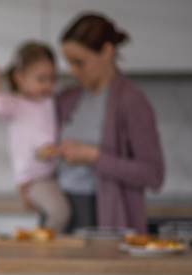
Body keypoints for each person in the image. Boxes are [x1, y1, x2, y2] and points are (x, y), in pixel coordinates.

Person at [43, 14, 164, 233]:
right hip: (60, 210)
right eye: (69, 62)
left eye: (79, 62)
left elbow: (153, 174)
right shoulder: (67, 98)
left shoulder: (132, 102)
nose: (72, 70)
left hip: (103, 215)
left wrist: (94, 157)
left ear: (107, 52)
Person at [0, 43, 71, 233]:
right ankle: (44, 251)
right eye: (41, 79)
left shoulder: (48, 101)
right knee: (60, 213)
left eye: (52, 78)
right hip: (33, 179)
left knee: (56, 213)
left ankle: (43, 245)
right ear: (20, 78)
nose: (48, 85)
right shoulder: (15, 104)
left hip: (51, 174)